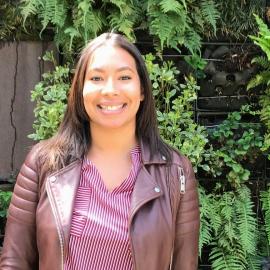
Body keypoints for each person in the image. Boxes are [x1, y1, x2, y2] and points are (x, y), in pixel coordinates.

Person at [0, 32, 200, 270]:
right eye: (96, 78)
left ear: (142, 90)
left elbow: (184, 265)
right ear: (80, 90)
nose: (110, 90)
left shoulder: (175, 172)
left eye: (124, 77)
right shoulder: (44, 164)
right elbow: (15, 262)